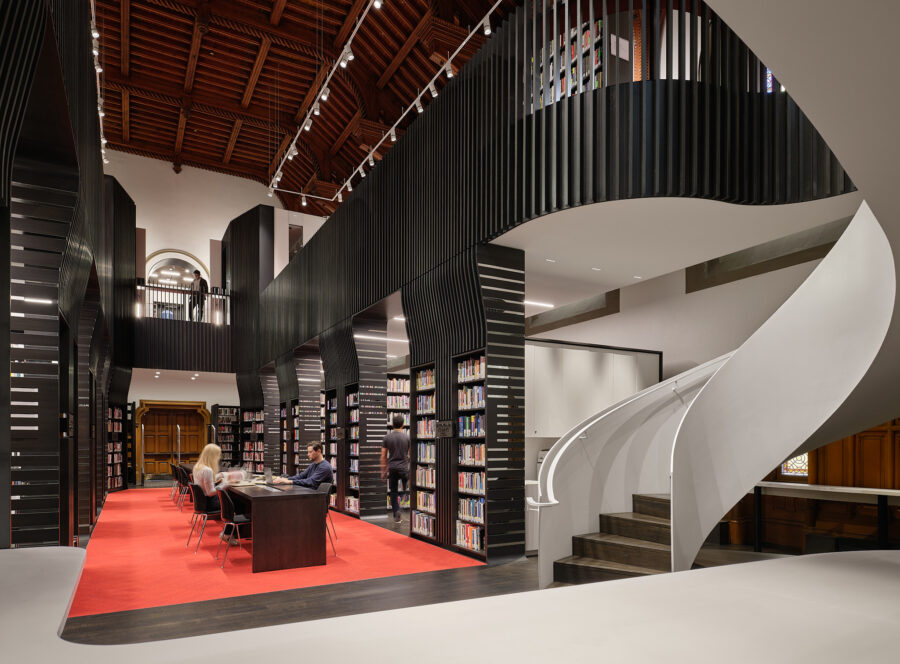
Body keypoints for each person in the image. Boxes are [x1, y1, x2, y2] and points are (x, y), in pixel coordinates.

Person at [381, 413, 410, 523]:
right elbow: (410, 455)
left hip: (392, 468)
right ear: (403, 425)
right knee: (406, 488)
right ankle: (405, 505)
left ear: (392, 425)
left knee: (393, 491)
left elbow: (383, 456)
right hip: (404, 468)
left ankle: (396, 512)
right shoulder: (407, 437)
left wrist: (383, 470)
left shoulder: (387, 438)